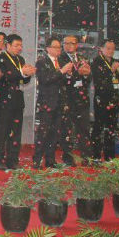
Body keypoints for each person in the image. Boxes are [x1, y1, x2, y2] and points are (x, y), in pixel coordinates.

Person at [0, 33, 35, 170]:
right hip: (3, 99)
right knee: (1, 131)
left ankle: (12, 159)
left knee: (16, 131)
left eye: (20, 45)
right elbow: (7, 76)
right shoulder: (0, 58)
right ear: (8, 45)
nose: (19, 48)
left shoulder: (20, 59)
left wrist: (27, 74)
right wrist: (22, 73)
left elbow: (23, 80)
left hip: (17, 99)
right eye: (16, 45)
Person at [33, 37, 72, 168]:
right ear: (48, 48)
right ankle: (37, 159)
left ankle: (50, 160)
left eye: (59, 47)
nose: (58, 50)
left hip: (59, 102)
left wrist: (68, 74)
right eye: (55, 47)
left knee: (55, 132)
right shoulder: (41, 62)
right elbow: (45, 79)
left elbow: (64, 81)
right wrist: (61, 71)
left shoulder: (61, 61)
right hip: (47, 102)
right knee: (43, 132)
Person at [90, 39, 119, 161]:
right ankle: (96, 156)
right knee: (98, 128)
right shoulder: (96, 61)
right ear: (101, 49)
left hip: (113, 98)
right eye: (108, 48)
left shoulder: (115, 61)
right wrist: (111, 71)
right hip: (101, 99)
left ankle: (109, 157)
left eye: (113, 48)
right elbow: (99, 80)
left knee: (111, 128)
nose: (111, 51)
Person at [60, 35, 93, 164]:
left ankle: (86, 157)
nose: (69, 45)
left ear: (77, 45)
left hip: (82, 99)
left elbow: (88, 80)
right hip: (67, 99)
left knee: (84, 130)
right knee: (66, 130)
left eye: (72, 43)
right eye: (66, 43)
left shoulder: (83, 59)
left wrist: (86, 75)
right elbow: (61, 78)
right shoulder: (59, 59)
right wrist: (77, 74)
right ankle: (68, 158)